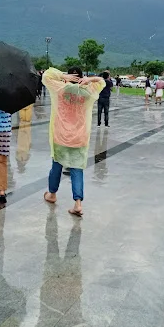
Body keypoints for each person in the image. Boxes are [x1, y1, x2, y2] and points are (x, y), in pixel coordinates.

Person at [42, 66, 105, 217]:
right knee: (77, 169)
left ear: (67, 77)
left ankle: (52, 194)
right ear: (82, 77)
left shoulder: (60, 89)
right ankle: (78, 203)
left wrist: (62, 76)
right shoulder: (88, 92)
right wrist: (91, 79)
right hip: (79, 137)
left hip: (61, 134)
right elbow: (102, 82)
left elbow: (46, 76)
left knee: (56, 164)